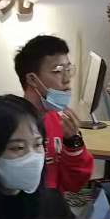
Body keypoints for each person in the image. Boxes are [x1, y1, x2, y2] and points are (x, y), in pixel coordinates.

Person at [15, 34, 95, 195]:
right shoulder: (14, 125)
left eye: (68, 70)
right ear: (32, 79)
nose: (67, 79)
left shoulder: (57, 120)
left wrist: (72, 141)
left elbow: (75, 184)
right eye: (58, 71)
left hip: (55, 205)